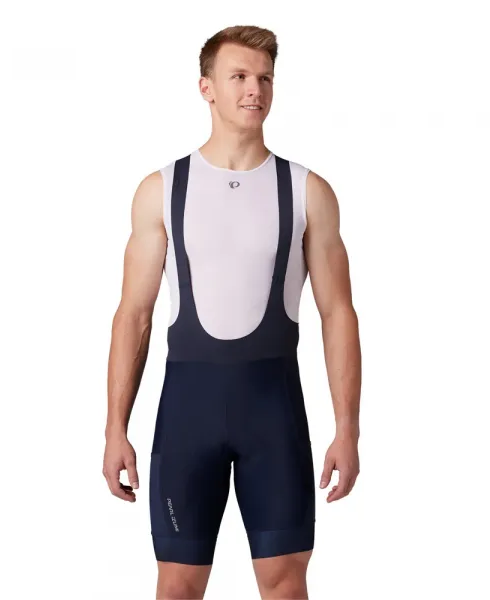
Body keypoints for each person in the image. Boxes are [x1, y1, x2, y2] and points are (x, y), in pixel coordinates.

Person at [103, 25, 361, 600]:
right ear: (207, 88)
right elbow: (133, 315)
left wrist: (347, 429)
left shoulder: (307, 191)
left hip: (275, 418)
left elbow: (339, 314)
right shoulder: (161, 189)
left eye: (265, 78)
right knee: (177, 586)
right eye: (239, 76)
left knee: (285, 583)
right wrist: (115, 428)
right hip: (186, 418)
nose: (254, 90)